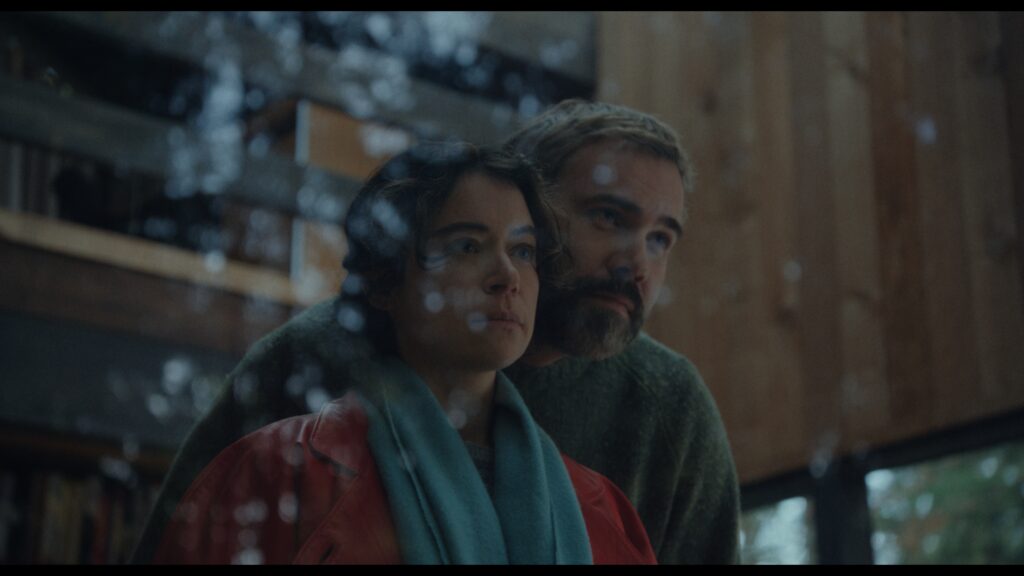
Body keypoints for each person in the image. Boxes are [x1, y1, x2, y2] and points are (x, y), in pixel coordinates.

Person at [132, 99, 739, 564]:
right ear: (531, 204)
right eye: (608, 216)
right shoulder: (319, 354)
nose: (638, 264)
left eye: (661, 238)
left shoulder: (667, 408)